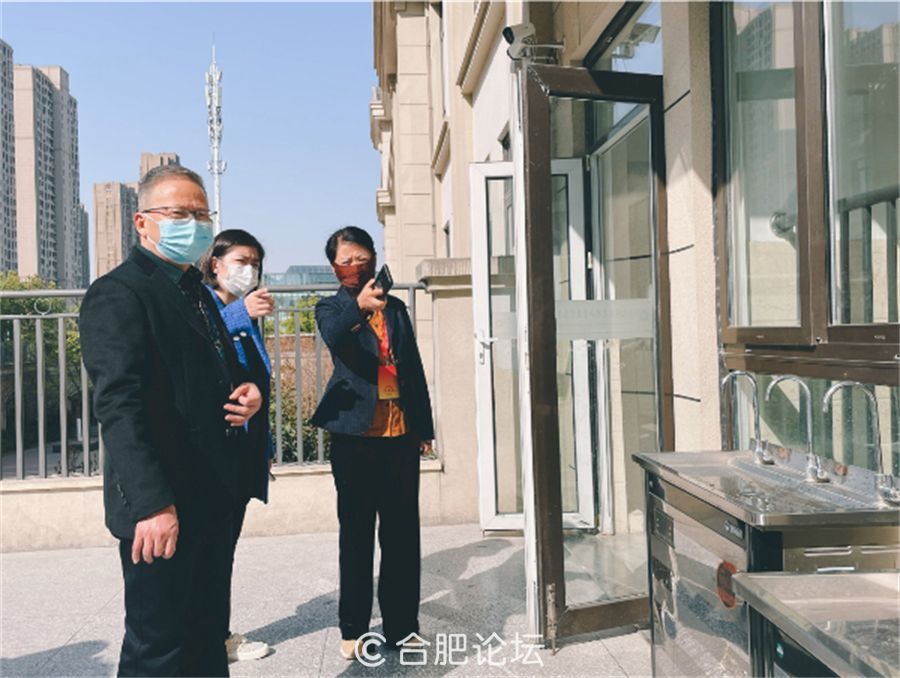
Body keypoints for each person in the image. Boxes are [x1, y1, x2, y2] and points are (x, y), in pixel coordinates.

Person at [79, 165, 263, 677]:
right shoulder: (119, 293)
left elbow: (219, 372)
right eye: (180, 214)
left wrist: (249, 393)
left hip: (212, 496)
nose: (195, 225)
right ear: (143, 222)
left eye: (202, 215)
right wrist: (153, 504)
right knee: (158, 647)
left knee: (206, 638)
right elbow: (119, 406)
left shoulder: (197, 291)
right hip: (162, 505)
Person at [311, 226, 434, 660]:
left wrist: (424, 428)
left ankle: (403, 627)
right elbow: (334, 336)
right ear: (334, 267)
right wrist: (359, 308)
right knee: (357, 535)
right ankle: (354, 628)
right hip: (355, 437)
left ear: (374, 259)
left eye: (361, 258)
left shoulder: (395, 307)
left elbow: (412, 366)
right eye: (345, 261)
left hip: (399, 433)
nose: (355, 266)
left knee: (402, 536)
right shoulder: (331, 307)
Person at [199, 229, 275, 663]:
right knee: (213, 550)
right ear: (216, 264)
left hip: (242, 449)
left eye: (255, 263)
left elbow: (255, 384)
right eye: (241, 261)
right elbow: (202, 348)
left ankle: (216, 634)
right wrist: (240, 313)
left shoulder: (242, 314)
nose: (249, 270)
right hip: (214, 452)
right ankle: (213, 638)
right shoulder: (205, 306)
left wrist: (263, 446)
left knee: (224, 548)